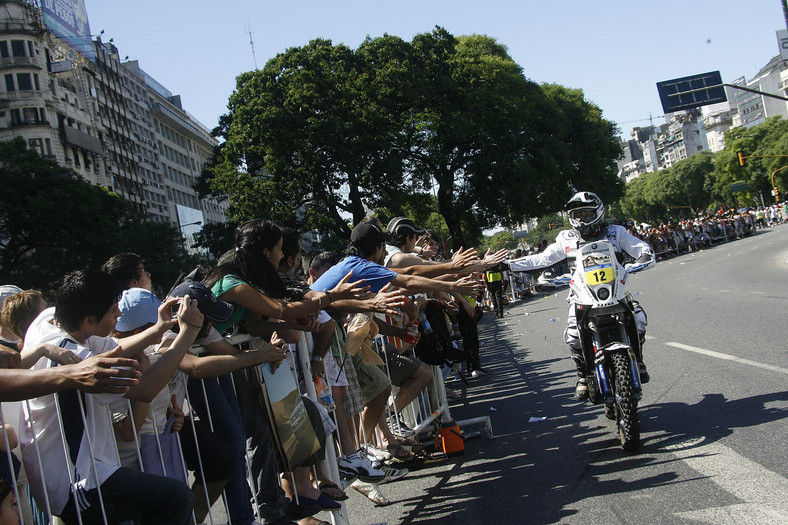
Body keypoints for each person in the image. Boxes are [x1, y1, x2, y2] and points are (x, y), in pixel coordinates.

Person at [19, 269, 197, 524]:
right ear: (89, 320)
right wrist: (188, 333)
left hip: (79, 472)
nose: (120, 314)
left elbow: (116, 349)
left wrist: (159, 328)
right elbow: (145, 390)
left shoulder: (49, 319)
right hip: (77, 482)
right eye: (114, 310)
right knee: (176, 498)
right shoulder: (75, 359)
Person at [507, 192, 654, 401]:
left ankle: (638, 360)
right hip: (580, 297)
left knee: (639, 319)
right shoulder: (565, 238)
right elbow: (542, 259)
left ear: (598, 212)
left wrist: (644, 255)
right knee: (573, 336)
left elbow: (639, 247)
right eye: (577, 215)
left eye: (586, 213)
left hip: (617, 291)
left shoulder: (616, 232)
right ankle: (583, 375)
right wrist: (509, 264)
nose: (582, 219)